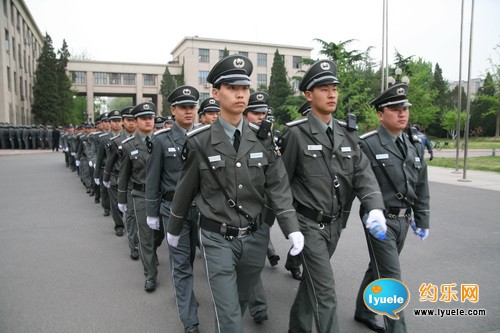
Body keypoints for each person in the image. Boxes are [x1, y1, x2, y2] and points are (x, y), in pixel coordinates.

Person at [166, 54, 304, 332]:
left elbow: (277, 185)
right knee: (229, 315)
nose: (240, 94)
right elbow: (186, 187)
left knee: (238, 303)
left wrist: (291, 227)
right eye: (232, 88)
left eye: (244, 88)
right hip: (217, 238)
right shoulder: (200, 141)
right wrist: (174, 226)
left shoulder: (263, 139)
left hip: (255, 238)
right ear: (215, 93)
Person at [279, 59, 385, 333]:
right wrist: (290, 227)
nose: (332, 94)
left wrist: (374, 206)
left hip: (335, 226)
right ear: (308, 94)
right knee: (326, 292)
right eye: (324, 88)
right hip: (309, 226)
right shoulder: (296, 134)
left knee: (312, 284)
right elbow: (281, 184)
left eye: (334, 88)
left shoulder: (348, 134)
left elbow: (362, 174)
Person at [354, 83, 430, 333]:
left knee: (378, 266)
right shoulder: (368, 144)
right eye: (395, 109)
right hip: (380, 221)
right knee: (391, 276)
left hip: (403, 221)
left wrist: (422, 219)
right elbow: (357, 183)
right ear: (379, 113)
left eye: (405, 108)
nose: (402, 113)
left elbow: (421, 187)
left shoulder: (414, 144)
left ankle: (363, 311)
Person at [146, 86, 200, 333]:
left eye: (192, 107)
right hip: (172, 210)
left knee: (189, 260)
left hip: (200, 209)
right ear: (173, 110)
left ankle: (184, 295)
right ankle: (190, 320)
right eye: (183, 107)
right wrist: (151, 212)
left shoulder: (204, 135)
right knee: (180, 263)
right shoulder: (161, 140)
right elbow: (153, 179)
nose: (189, 112)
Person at [118, 102, 164, 292]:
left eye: (151, 118)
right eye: (144, 118)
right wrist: (121, 199)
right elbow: (124, 174)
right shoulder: (128, 145)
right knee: (145, 236)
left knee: (159, 234)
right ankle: (150, 274)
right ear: (135, 121)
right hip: (141, 195)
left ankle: (150, 252)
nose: (148, 121)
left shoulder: (162, 140)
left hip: (162, 196)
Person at [242, 91, 279, 324]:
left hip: (265, 205)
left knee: (253, 256)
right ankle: (258, 306)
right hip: (240, 207)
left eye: (264, 113)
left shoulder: (271, 138)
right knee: (250, 260)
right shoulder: (234, 137)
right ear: (245, 115)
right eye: (256, 113)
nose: (260, 117)